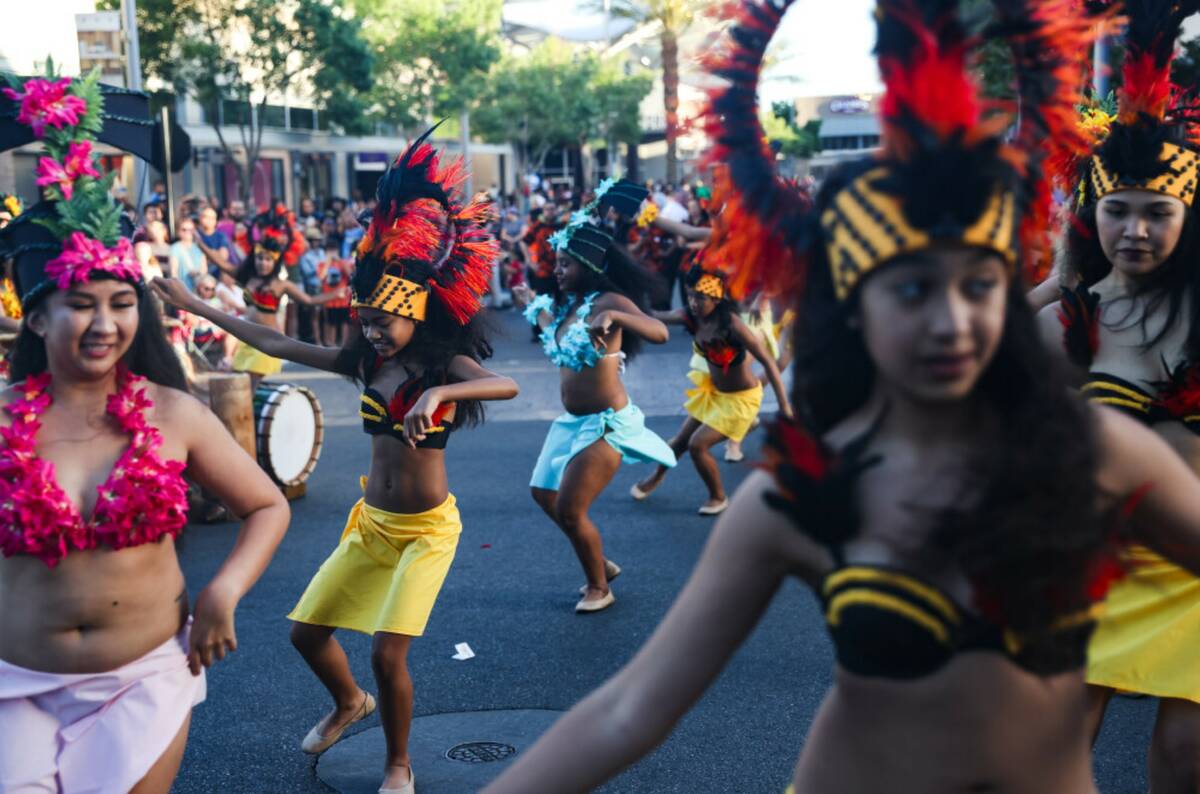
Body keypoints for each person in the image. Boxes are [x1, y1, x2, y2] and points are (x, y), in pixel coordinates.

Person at [483, 1, 1200, 792]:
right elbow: (629, 712)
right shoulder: (803, 496)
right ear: (851, 308)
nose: (952, 320)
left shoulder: (1091, 451)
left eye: (979, 284)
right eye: (912, 288)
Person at [154, 127, 518, 794]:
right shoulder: (364, 360)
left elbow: (506, 385)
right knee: (305, 635)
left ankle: (398, 764)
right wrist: (195, 304)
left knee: (387, 650)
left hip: (427, 532)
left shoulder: (440, 362)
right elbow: (273, 337)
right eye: (368, 321)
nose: (375, 331)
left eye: (386, 322)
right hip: (371, 525)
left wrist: (440, 390)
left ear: (417, 313)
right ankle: (350, 703)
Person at [0, 67, 289, 793]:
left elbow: (266, 505)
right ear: (37, 317)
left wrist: (223, 591)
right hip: (13, 680)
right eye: (80, 304)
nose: (105, 324)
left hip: (144, 677)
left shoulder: (172, 412)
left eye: (121, 302)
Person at [1037, 2, 1200, 789]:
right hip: (1096, 563)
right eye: (1117, 210)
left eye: (1157, 212)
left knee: (1185, 757)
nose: (1135, 229)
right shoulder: (1075, 321)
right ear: (1091, 215)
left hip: (1196, 572)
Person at [512, 180, 676, 613]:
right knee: (542, 492)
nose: (558, 270)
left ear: (588, 263)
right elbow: (556, 343)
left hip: (606, 422)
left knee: (570, 507)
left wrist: (617, 314)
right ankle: (597, 558)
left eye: (566, 263)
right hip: (572, 423)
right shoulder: (572, 307)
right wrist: (533, 304)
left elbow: (659, 332)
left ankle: (599, 586)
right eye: (558, 262)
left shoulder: (609, 299)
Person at [632, 266, 792, 514]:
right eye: (690, 296)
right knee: (679, 441)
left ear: (717, 298)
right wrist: (627, 303)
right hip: (714, 394)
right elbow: (655, 315)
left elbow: (770, 362)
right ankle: (655, 476)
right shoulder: (691, 317)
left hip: (741, 400)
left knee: (698, 445)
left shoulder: (734, 326)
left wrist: (784, 406)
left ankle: (718, 497)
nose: (693, 303)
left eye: (700, 297)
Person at [229, 210, 342, 387]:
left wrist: (335, 294)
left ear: (275, 262)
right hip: (247, 339)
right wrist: (201, 244)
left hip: (265, 340)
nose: (262, 262)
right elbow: (223, 265)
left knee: (251, 386)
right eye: (259, 258)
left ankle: (253, 415)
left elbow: (309, 301)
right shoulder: (249, 277)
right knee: (239, 385)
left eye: (267, 259)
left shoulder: (282, 284)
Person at [168, 218, 207, 291]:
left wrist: (197, 273)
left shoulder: (199, 248)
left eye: (191, 230)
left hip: (199, 290)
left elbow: (204, 271)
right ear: (178, 231)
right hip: (182, 290)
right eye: (184, 229)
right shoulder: (175, 248)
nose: (187, 232)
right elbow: (173, 272)